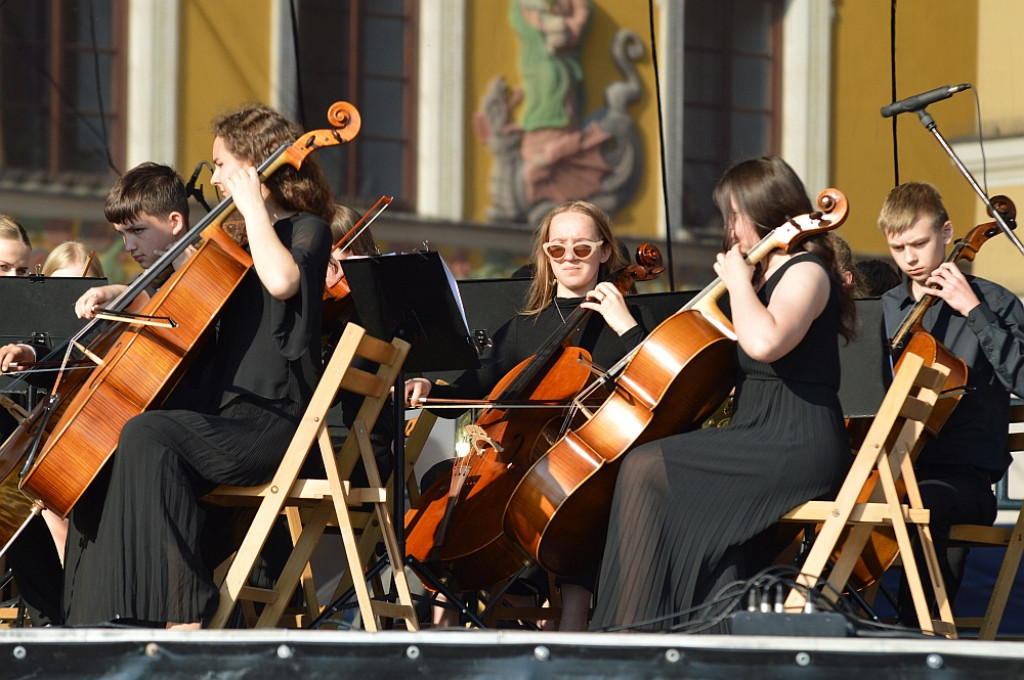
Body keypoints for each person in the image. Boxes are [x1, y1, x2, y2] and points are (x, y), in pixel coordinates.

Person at [60, 102, 334, 628]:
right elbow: (185, 291)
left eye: (221, 164)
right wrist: (123, 291)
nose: (213, 178)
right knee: (100, 469)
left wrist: (253, 204)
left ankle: (186, 615)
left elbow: (281, 282)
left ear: (253, 166)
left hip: (268, 422)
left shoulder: (306, 232)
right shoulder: (230, 243)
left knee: (149, 434)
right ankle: (94, 623)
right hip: (223, 417)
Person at [589, 156, 857, 633]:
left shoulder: (805, 270)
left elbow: (765, 342)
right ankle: (699, 639)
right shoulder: (764, 274)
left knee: (647, 469)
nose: (729, 228)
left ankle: (629, 634)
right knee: (707, 532)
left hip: (793, 439)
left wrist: (736, 283)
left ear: (766, 209)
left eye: (735, 214)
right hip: (757, 431)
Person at [404, 199, 654, 631]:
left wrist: (625, 326)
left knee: (573, 500)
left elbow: (653, 386)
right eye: (557, 250)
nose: (569, 259)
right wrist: (431, 388)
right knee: (442, 482)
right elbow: (478, 383)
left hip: (585, 464)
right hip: (515, 460)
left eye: (582, 248)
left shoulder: (629, 320)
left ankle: (570, 625)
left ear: (605, 252)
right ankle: (448, 615)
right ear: (545, 255)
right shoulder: (525, 325)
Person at [878, 181, 1024, 621]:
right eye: (897, 247)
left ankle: (913, 632)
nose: (909, 258)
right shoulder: (885, 307)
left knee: (924, 503)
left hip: (963, 480)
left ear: (947, 232)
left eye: (919, 243)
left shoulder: (995, 303)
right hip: (888, 470)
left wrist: (972, 310)